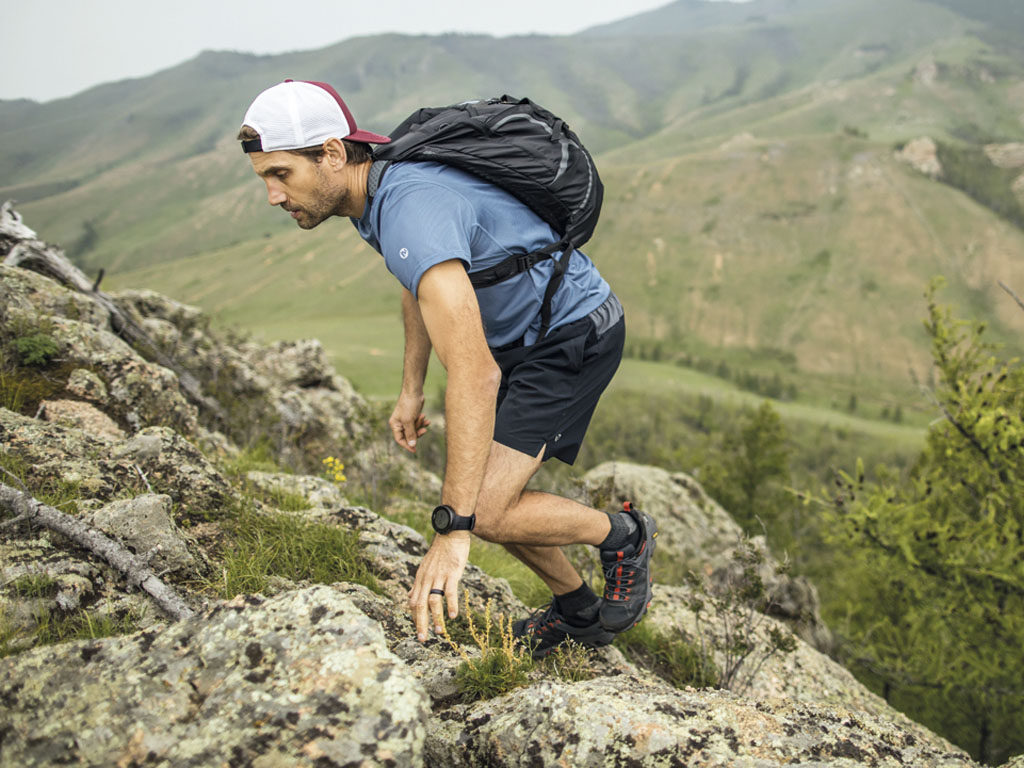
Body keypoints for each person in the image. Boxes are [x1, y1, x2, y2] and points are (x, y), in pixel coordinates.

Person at [239, 79, 656, 657]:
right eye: (264, 177)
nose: (272, 195)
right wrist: (411, 388)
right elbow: (418, 285)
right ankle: (580, 612)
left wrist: (452, 531)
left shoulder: (407, 204)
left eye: (280, 174)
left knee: (481, 507)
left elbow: (475, 375)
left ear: (332, 153)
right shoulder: (375, 189)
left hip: (571, 334)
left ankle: (624, 535)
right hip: (520, 339)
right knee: (485, 492)